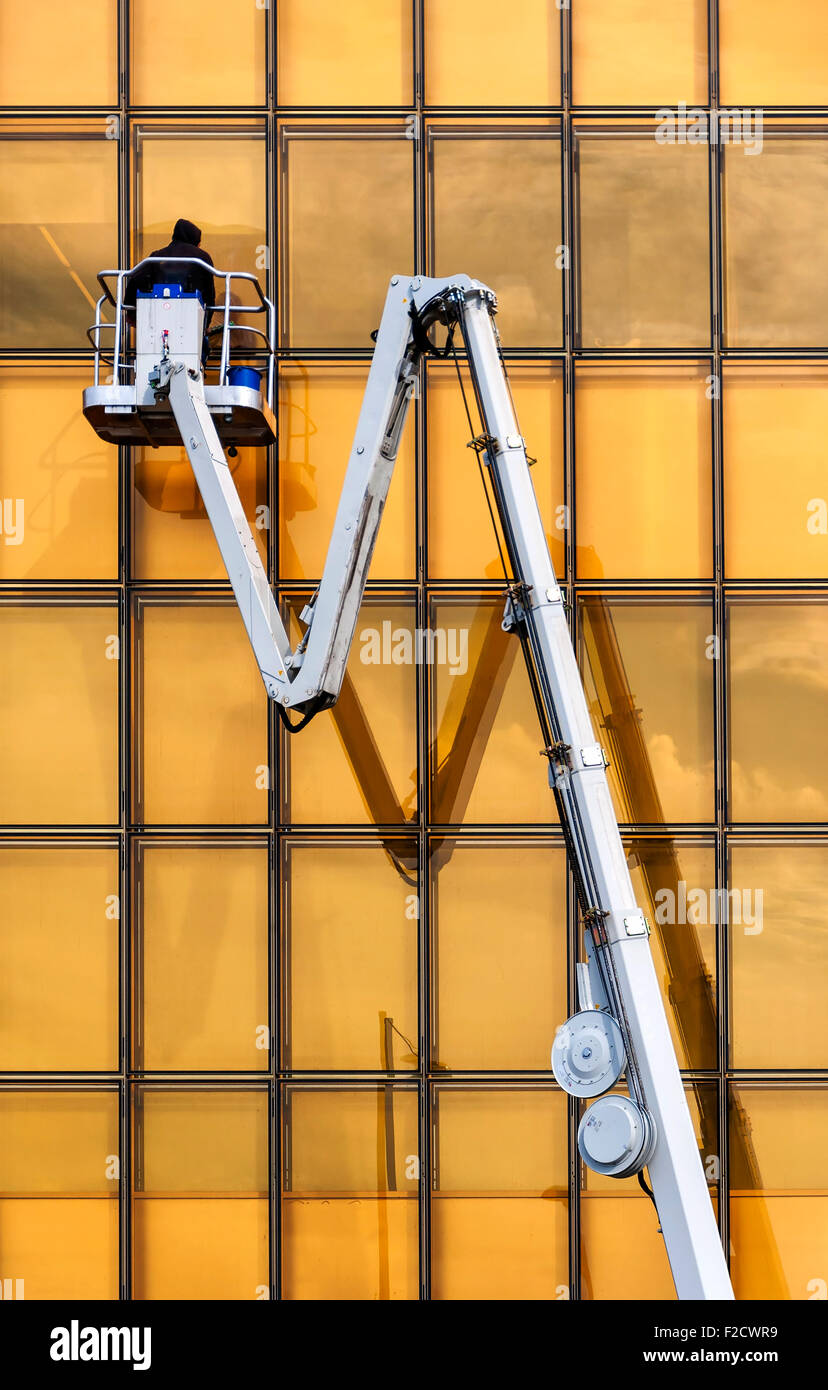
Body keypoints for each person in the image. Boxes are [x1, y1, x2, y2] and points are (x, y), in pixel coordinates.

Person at [124, 218, 215, 364]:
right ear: (195, 239)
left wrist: (131, 314)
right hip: (190, 326)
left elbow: (135, 280)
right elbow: (209, 297)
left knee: (152, 361)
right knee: (198, 354)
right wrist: (205, 325)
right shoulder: (202, 257)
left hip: (158, 328)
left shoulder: (156, 256)